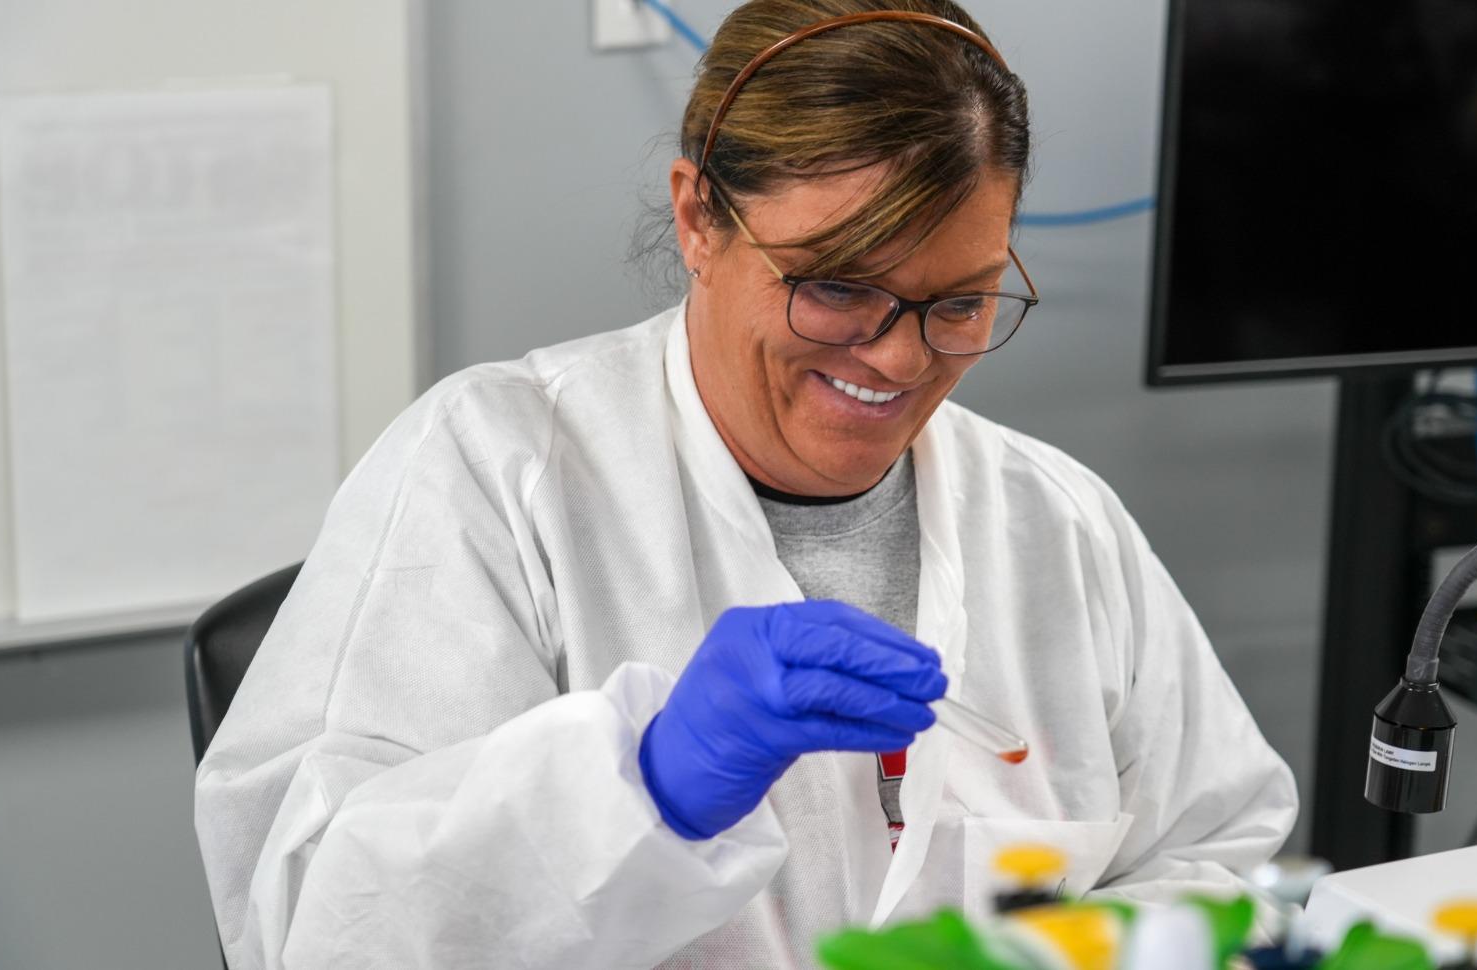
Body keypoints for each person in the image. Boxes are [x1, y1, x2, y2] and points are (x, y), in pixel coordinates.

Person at [194, 2, 1299, 967]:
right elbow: (316, 926)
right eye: (834, 289)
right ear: (697, 219)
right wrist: (645, 787)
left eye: (957, 304)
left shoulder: (1053, 519)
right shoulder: (495, 472)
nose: (901, 359)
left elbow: (1217, 851)